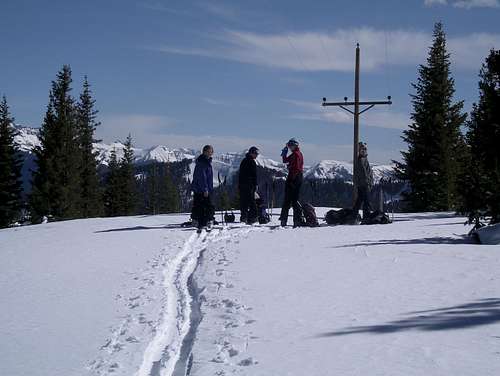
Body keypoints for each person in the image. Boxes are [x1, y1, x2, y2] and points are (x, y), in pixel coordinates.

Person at [279, 138, 304, 227]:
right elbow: (285, 160)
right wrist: (285, 151)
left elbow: (296, 168)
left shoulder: (296, 155)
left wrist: (291, 179)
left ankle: (284, 220)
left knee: (288, 200)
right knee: (294, 200)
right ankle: (296, 220)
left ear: (294, 145)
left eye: (290, 146)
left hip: (294, 178)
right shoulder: (297, 154)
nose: (289, 147)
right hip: (297, 178)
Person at [191, 145, 215, 230]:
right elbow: (202, 177)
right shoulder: (203, 162)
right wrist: (205, 189)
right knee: (206, 204)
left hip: (202, 188)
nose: (210, 153)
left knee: (200, 204)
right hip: (202, 188)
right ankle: (206, 220)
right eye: (208, 151)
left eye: (211, 152)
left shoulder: (206, 161)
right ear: (204, 152)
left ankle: (199, 220)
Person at [238, 146, 259, 224]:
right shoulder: (252, 162)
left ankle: (244, 217)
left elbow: (240, 175)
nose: (256, 155)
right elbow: (254, 175)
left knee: (244, 202)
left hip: (243, 185)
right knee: (251, 201)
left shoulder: (244, 161)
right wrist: (255, 184)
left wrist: (239, 185)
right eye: (256, 153)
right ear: (252, 153)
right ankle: (253, 217)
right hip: (249, 185)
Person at [353, 142, 373, 219]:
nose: (364, 150)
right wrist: (368, 183)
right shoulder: (361, 160)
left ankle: (353, 215)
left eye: (365, 149)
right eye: (362, 149)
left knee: (359, 200)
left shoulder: (363, 159)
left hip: (362, 184)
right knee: (366, 201)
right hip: (364, 184)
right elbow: (364, 173)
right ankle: (366, 217)